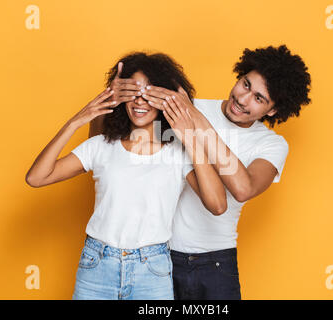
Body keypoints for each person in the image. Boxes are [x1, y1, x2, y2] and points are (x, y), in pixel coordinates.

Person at [25, 51, 227, 300]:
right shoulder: (100, 145)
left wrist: (189, 136)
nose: (139, 103)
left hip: (152, 270)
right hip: (96, 265)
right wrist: (78, 120)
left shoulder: (177, 152)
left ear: (165, 101)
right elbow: (36, 178)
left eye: (148, 95)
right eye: (133, 94)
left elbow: (217, 205)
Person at [129, 44, 312, 299]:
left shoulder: (270, 144)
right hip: (159, 258)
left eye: (259, 98)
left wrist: (195, 118)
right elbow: (131, 143)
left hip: (215, 266)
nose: (243, 99)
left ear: (272, 111)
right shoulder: (187, 106)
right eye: (246, 84)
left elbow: (243, 188)